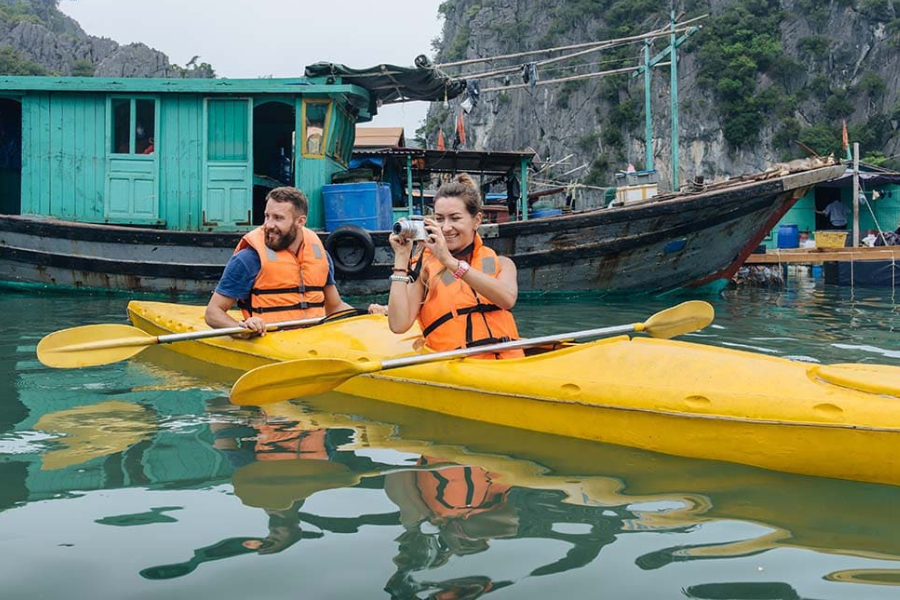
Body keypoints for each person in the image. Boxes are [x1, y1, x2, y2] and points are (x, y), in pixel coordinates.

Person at [386, 173, 522, 359]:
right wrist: (401, 258)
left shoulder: (502, 264)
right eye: (440, 219)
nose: (446, 227)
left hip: (510, 365)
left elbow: (506, 299)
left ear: (477, 220)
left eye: (455, 218)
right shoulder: (424, 270)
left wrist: (450, 262)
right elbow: (398, 325)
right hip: (456, 367)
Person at [205, 186, 356, 335]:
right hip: (270, 340)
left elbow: (335, 307)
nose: (268, 225)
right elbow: (213, 313)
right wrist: (243, 329)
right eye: (267, 216)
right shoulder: (248, 259)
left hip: (315, 339)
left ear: (300, 221)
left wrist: (369, 316)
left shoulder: (321, 256)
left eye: (278, 218)